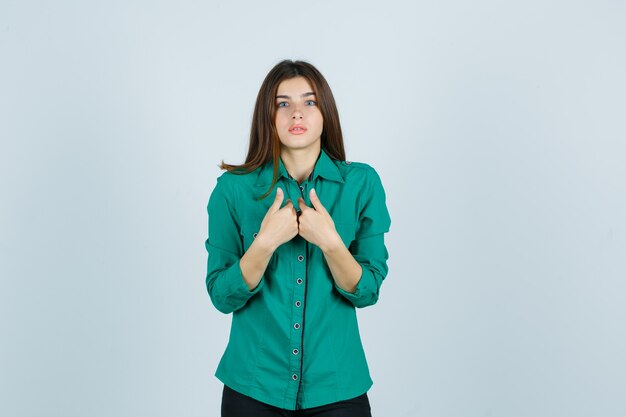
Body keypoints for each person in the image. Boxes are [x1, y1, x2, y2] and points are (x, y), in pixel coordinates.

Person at [204, 59, 391, 417]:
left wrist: (331, 243)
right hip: (253, 387)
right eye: (282, 103)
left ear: (325, 113)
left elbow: (368, 291)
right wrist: (263, 243)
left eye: (309, 101)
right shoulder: (232, 190)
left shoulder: (361, 185)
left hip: (338, 387)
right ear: (268, 116)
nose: (296, 113)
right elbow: (221, 295)